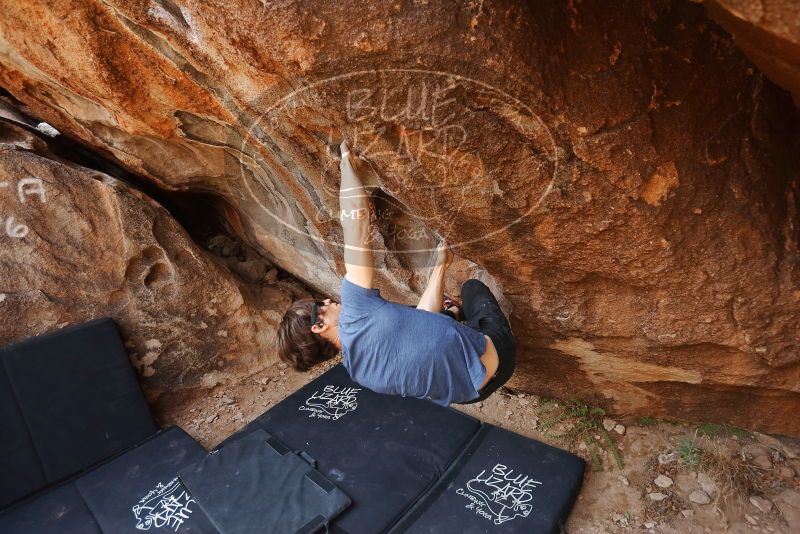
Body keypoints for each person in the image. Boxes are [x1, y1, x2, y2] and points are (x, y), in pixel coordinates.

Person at [276, 141, 516, 405]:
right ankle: (461, 318)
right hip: (500, 357)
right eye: (319, 305)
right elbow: (356, 222)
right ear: (319, 326)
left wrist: (441, 266)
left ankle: (451, 313)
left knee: (423, 316)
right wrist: (346, 161)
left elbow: (418, 329)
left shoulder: (362, 375)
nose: (327, 300)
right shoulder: (355, 312)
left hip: (472, 394)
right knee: (472, 289)